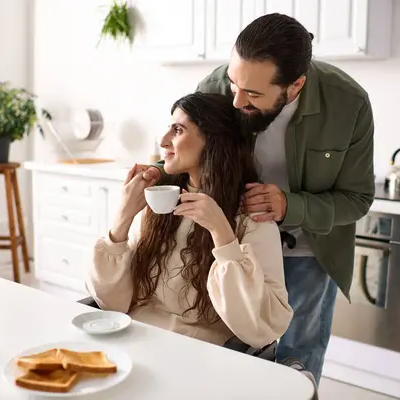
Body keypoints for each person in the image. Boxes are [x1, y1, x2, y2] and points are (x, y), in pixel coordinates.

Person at [134, 13, 375, 384]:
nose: (235, 100)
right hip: (231, 239)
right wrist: (156, 173)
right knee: (234, 351)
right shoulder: (218, 85)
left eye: (253, 94)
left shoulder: (348, 104)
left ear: (295, 86)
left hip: (308, 249)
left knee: (298, 355)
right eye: (233, 82)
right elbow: (192, 147)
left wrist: (290, 206)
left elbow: (356, 199)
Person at [85, 92, 293, 350]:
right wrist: (123, 218)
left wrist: (222, 234)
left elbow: (260, 330)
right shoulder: (159, 206)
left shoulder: (254, 219)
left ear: (214, 141)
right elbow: (111, 304)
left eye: (178, 130)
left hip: (199, 357)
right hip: (131, 341)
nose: (163, 141)